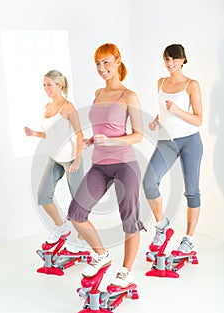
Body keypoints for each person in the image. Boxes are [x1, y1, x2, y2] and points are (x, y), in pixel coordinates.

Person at [67, 43, 144, 288]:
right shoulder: (98, 94)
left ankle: (126, 272)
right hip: (99, 165)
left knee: (129, 221)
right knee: (76, 214)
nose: (102, 68)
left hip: (125, 165)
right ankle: (102, 255)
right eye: (98, 63)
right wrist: (91, 140)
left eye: (106, 62)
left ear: (118, 61)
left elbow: (139, 135)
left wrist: (111, 140)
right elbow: (101, 127)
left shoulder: (129, 96)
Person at [143, 44, 203, 253]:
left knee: (192, 192)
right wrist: (157, 121)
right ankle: (162, 227)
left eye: (173, 59)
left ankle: (188, 239)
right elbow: (163, 111)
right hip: (166, 141)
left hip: (190, 141)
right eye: (166, 59)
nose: (169, 63)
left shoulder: (191, 85)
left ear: (182, 60)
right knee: (149, 182)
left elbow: (198, 119)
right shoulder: (160, 82)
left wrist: (176, 110)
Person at [24, 70, 88, 252]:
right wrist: (35, 133)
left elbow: (79, 134)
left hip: (70, 158)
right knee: (43, 196)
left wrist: (77, 161)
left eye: (49, 85)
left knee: (78, 201)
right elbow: (52, 133)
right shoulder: (47, 107)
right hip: (55, 158)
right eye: (44, 85)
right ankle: (62, 228)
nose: (46, 89)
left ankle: (83, 239)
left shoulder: (68, 107)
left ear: (59, 85)